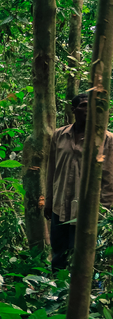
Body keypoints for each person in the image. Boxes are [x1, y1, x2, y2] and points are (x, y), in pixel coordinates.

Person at [44, 92, 113, 271]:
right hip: (60, 205)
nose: (88, 110)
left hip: (88, 209)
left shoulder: (106, 138)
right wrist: (48, 201)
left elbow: (108, 174)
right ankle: (56, 293)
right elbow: (52, 169)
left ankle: (88, 295)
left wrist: (105, 208)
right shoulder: (59, 135)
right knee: (59, 252)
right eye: (83, 105)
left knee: (84, 254)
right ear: (74, 109)